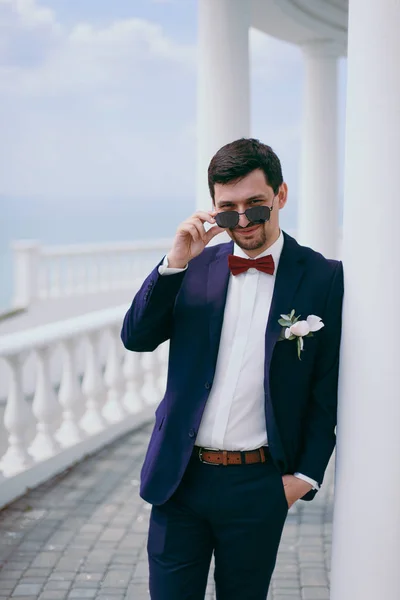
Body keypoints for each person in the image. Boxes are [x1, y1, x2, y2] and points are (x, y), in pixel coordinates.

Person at [121, 138, 344, 600]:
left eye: (256, 206)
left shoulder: (324, 278)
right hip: (179, 479)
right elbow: (137, 338)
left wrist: (303, 477)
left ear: (280, 196)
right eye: (227, 211)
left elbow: (327, 388)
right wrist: (175, 262)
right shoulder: (193, 267)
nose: (242, 221)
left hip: (258, 485)